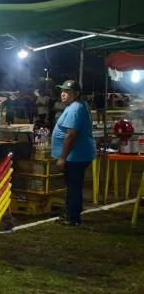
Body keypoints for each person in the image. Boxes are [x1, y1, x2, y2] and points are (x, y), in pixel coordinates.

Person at [51, 79, 95, 226]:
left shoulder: (75, 108)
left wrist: (62, 158)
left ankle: (73, 217)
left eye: (67, 91)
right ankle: (72, 212)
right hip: (78, 155)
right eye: (62, 91)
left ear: (76, 94)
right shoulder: (77, 105)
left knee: (73, 186)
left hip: (75, 156)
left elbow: (71, 135)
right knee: (73, 185)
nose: (63, 94)